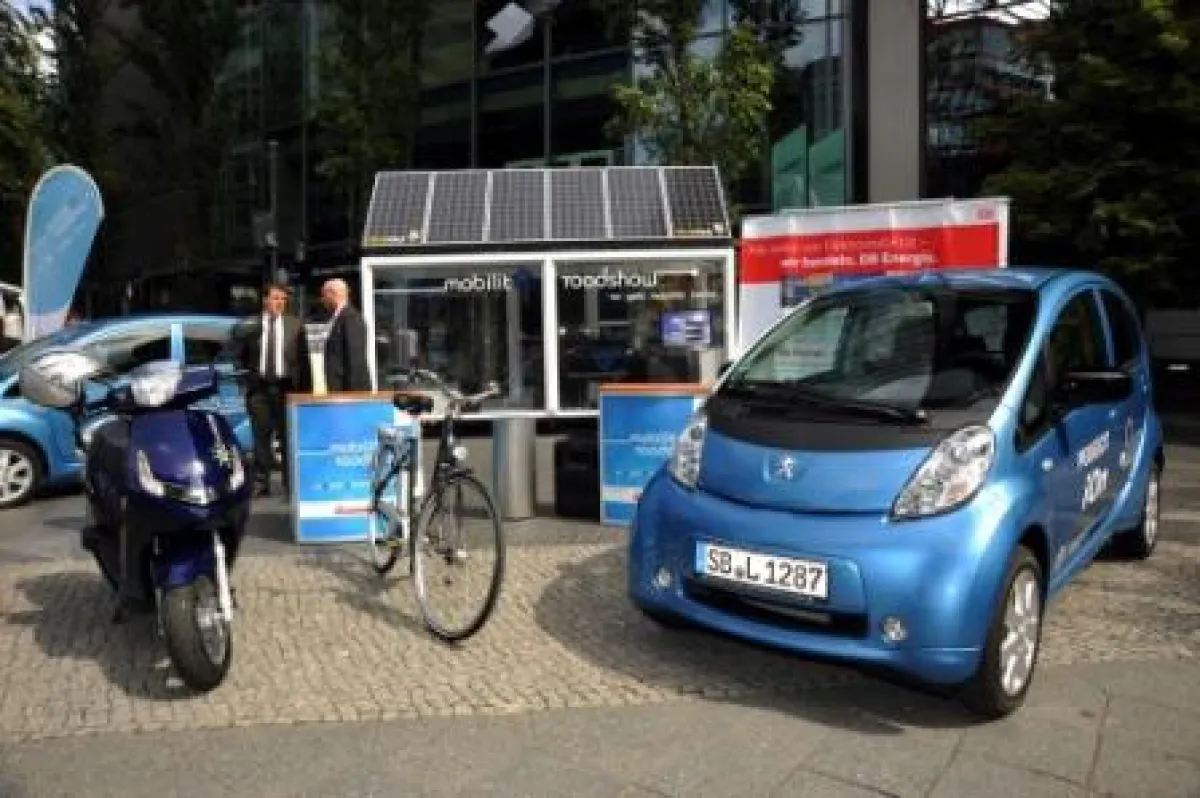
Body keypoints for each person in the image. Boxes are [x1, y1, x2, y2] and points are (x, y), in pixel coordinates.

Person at [237, 283, 311, 497]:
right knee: (260, 438)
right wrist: (245, 383)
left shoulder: (295, 325)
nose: (280, 303)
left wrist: (304, 393)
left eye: (283, 299)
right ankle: (262, 483)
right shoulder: (251, 325)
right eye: (276, 298)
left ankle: (290, 483)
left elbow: (303, 361)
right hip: (259, 389)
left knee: (287, 437)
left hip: (286, 388)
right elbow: (241, 356)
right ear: (265, 300)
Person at [320, 278, 371, 392]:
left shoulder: (351, 318)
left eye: (324, 295)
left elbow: (355, 359)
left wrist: (351, 395)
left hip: (346, 389)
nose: (322, 300)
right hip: (336, 388)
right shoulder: (335, 317)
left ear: (332, 294)